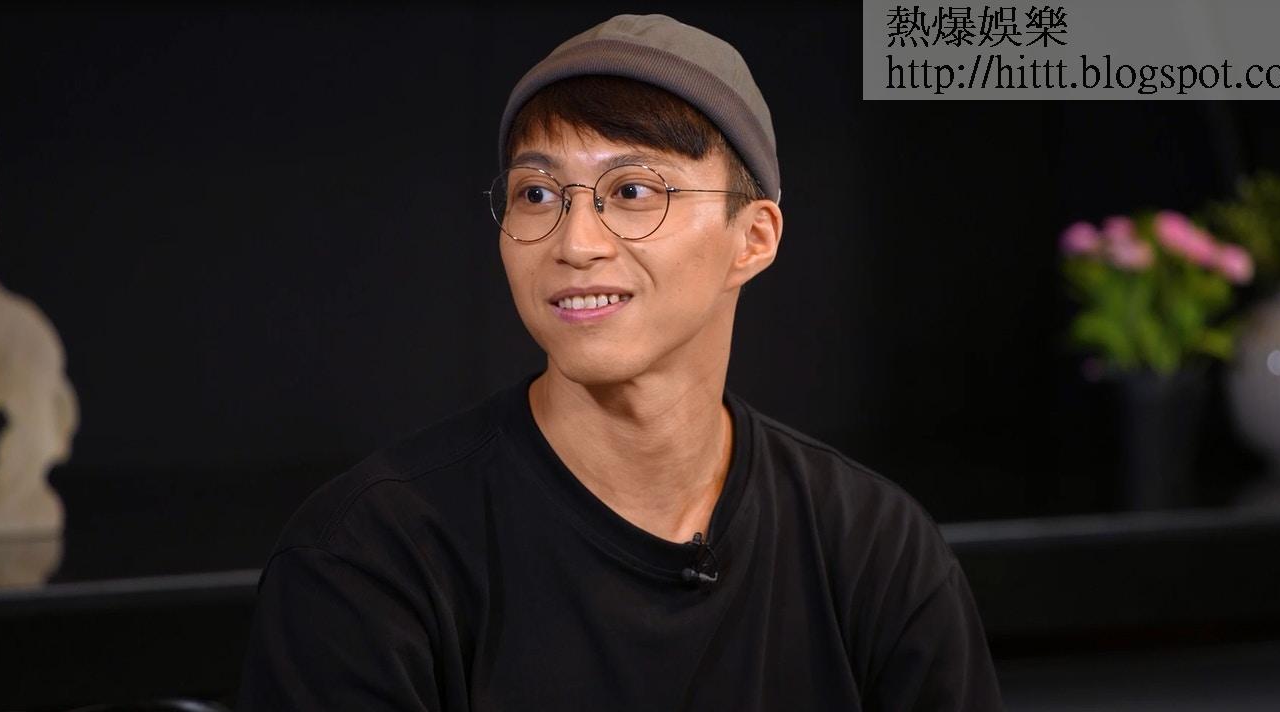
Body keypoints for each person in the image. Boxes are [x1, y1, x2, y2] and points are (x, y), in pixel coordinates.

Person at [238, 13, 1002, 711]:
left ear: (754, 238)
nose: (575, 243)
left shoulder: (874, 548)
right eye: (538, 194)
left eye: (633, 190)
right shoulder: (368, 559)